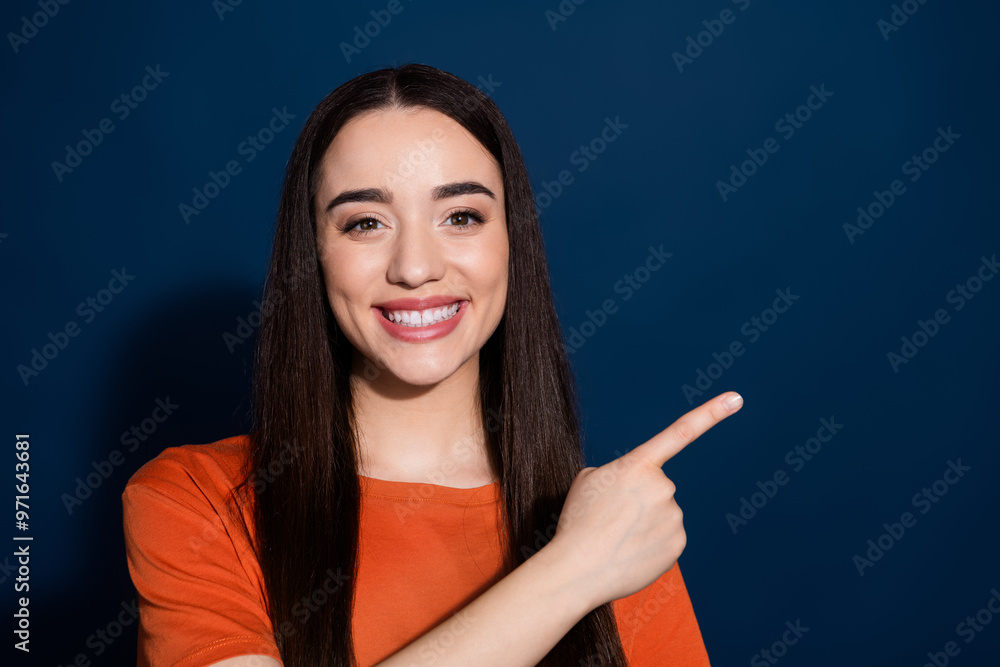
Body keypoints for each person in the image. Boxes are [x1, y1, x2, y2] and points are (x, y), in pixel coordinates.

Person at [122, 62, 743, 667]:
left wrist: (593, 549)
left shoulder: (614, 520)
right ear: (312, 255)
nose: (415, 267)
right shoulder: (195, 500)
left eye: (461, 216)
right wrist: (574, 570)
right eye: (365, 223)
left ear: (511, 242)